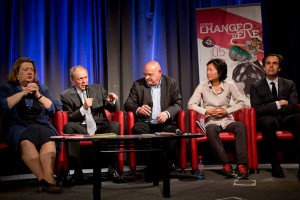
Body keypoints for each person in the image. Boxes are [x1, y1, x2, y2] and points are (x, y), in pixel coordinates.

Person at [0, 57, 63, 193]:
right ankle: (45, 180)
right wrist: (23, 92)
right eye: (25, 69)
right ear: (17, 73)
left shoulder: (41, 88)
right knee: (25, 141)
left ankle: (48, 178)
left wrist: (38, 95)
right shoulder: (7, 88)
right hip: (18, 126)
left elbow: (53, 108)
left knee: (49, 137)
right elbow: (3, 106)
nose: (29, 72)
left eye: (32, 70)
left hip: (40, 124)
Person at [60, 65, 124, 184]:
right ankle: (78, 172)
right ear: (72, 80)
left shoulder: (97, 89)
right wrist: (83, 108)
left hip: (99, 126)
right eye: (80, 79)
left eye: (86, 77)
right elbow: (69, 117)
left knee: (115, 125)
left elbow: (112, 109)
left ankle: (112, 169)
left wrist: (112, 101)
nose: (84, 81)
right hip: (81, 127)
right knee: (68, 127)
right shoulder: (66, 95)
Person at [187, 58, 248, 179]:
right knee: (210, 130)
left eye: (211, 70)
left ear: (219, 72)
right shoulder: (202, 86)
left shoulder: (229, 85)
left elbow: (241, 103)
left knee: (241, 126)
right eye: (207, 70)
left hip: (227, 120)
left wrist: (227, 111)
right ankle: (225, 164)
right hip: (212, 121)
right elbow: (191, 104)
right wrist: (206, 111)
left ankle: (242, 164)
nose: (208, 72)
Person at [124, 60, 183, 180]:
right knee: (137, 128)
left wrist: (167, 113)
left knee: (176, 132)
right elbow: (128, 104)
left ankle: (155, 168)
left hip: (165, 124)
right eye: (145, 74)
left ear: (159, 73)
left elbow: (178, 103)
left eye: (150, 74)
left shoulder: (171, 83)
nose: (146, 77)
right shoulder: (138, 84)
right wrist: (138, 109)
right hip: (146, 123)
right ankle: (159, 166)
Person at [250, 53, 300, 179]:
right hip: (267, 120)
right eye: (268, 63)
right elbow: (257, 109)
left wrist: (270, 108)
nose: (271, 66)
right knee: (268, 122)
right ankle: (275, 164)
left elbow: (294, 107)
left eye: (275, 63)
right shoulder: (255, 86)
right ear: (263, 67)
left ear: (280, 68)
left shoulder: (289, 84)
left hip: (286, 118)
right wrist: (279, 104)